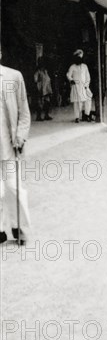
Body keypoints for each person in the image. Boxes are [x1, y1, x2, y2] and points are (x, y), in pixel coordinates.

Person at [0, 51, 32, 245]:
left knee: (14, 188)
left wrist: (20, 136)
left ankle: (19, 227)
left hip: (9, 146)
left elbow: (24, 111)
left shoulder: (13, 76)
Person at [67, 49, 93, 123]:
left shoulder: (85, 66)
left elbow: (88, 77)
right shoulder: (72, 67)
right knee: (77, 102)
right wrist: (71, 80)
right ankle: (77, 117)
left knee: (88, 99)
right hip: (76, 86)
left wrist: (86, 85)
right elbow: (69, 75)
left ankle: (87, 115)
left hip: (84, 86)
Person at [34, 57, 53, 121]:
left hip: (46, 89)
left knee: (47, 102)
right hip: (41, 88)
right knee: (40, 102)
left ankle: (46, 115)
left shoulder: (45, 71)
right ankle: (38, 116)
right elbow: (35, 79)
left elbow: (48, 79)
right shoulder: (38, 71)